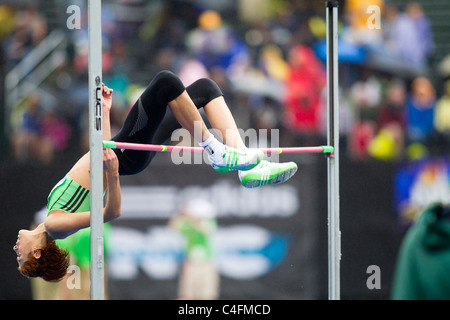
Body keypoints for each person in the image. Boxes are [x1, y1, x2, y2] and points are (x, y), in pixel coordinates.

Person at [13, 70, 298, 282]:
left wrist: (107, 115)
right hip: (125, 157)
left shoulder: (53, 218)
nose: (16, 248)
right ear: (37, 253)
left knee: (204, 89)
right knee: (165, 82)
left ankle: (246, 166)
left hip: (121, 151)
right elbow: (111, 212)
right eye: (20, 255)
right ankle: (214, 149)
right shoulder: (54, 225)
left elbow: (95, 166)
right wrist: (113, 175)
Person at [169, 198, 219, 300]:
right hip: (190, 261)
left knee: (207, 294)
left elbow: (206, 229)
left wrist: (193, 218)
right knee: (187, 293)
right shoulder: (187, 223)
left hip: (206, 261)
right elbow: (173, 225)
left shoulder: (207, 222)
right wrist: (181, 213)